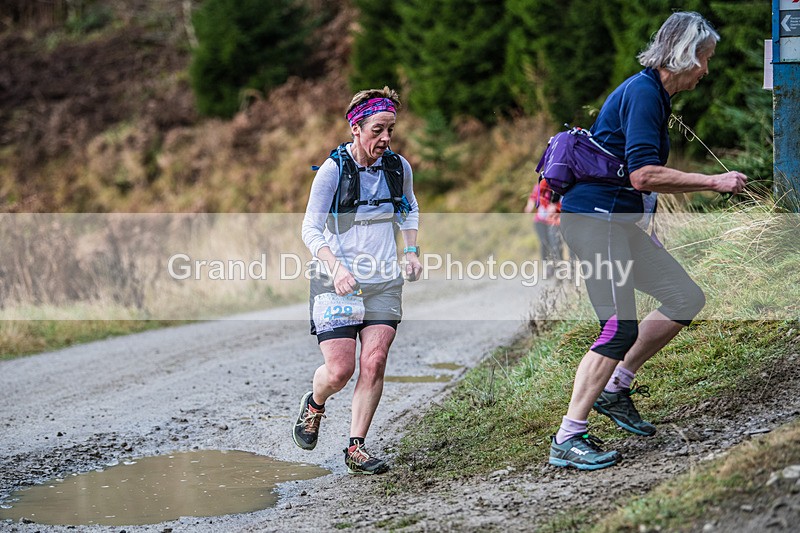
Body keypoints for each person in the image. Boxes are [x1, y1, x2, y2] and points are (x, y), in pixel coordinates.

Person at [548, 12, 747, 470]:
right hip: (593, 223)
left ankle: (616, 388)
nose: (707, 70)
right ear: (685, 55)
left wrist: (644, 221)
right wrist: (711, 182)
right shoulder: (643, 93)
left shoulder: (653, 94)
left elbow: (632, 176)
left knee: (684, 297)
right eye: (705, 59)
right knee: (619, 326)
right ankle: (567, 437)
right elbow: (643, 174)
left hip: (617, 223)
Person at [295, 86, 422, 475]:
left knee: (375, 361)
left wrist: (411, 251)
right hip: (336, 280)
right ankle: (314, 403)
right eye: (378, 130)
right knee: (339, 370)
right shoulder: (333, 171)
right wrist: (336, 267)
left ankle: (356, 447)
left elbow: (409, 208)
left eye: (391, 130)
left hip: (383, 280)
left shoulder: (398, 168)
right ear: (356, 128)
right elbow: (310, 229)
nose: (385, 138)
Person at [524, 178, 565, 275]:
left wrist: (555, 207)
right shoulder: (540, 187)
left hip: (553, 221)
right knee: (544, 243)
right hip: (540, 221)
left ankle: (560, 267)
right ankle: (548, 267)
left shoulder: (559, 186)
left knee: (555, 244)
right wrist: (529, 206)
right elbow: (532, 198)